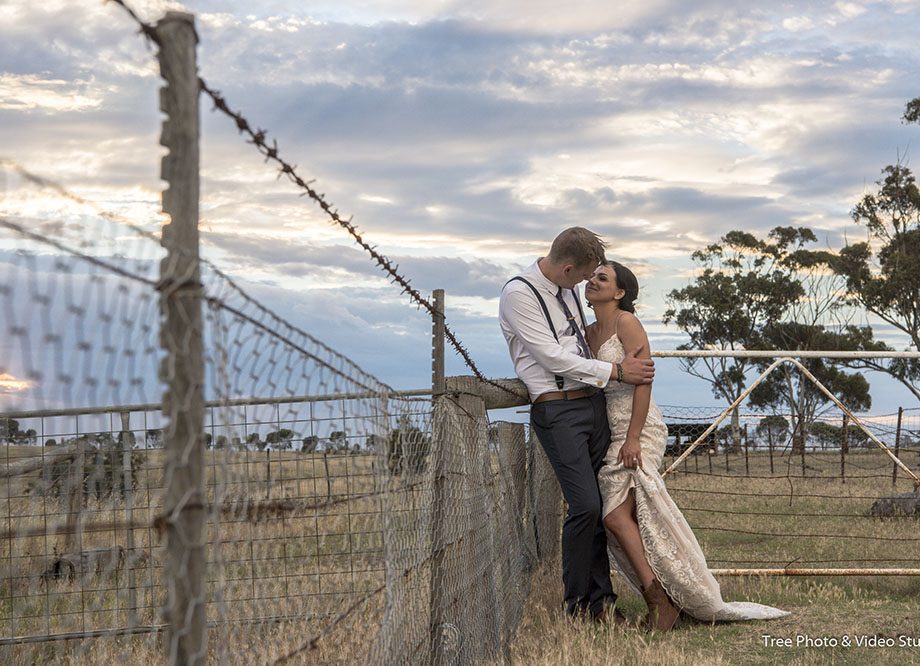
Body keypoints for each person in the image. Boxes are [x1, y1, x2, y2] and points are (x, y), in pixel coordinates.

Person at [584, 260, 790, 630]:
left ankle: (660, 603)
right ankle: (665, 596)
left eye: (603, 278)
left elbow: (643, 381)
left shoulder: (625, 323)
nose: (592, 281)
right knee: (626, 518)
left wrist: (632, 438)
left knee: (614, 516)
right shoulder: (588, 332)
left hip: (638, 425)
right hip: (609, 428)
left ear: (619, 293)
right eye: (592, 276)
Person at [498, 227, 654, 623]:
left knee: (601, 506)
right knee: (584, 506)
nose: (587, 284)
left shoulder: (567, 289)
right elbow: (552, 358)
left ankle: (603, 603)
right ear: (567, 268)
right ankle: (578, 607)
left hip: (593, 404)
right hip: (559, 411)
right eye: (584, 276)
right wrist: (617, 370)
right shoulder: (520, 294)